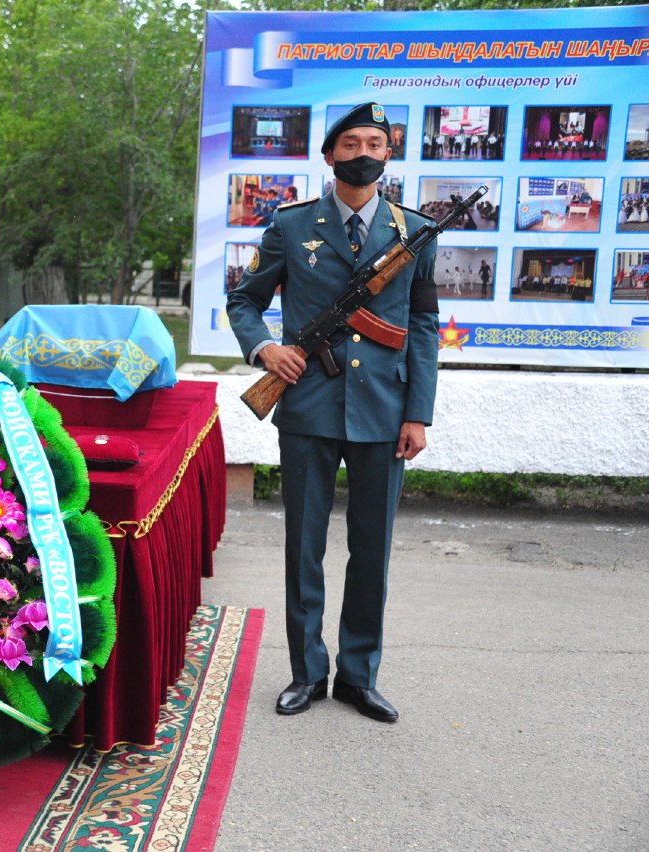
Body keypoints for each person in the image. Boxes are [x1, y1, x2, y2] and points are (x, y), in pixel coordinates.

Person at [226, 102, 439, 723]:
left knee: (372, 548)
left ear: (388, 154)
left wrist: (418, 414)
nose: (363, 152)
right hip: (309, 406)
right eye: (351, 143)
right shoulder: (291, 226)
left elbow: (422, 326)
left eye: (375, 142)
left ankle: (358, 675)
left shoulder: (414, 231)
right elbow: (245, 300)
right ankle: (306, 673)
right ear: (329, 155)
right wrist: (267, 349)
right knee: (304, 547)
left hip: (384, 409)